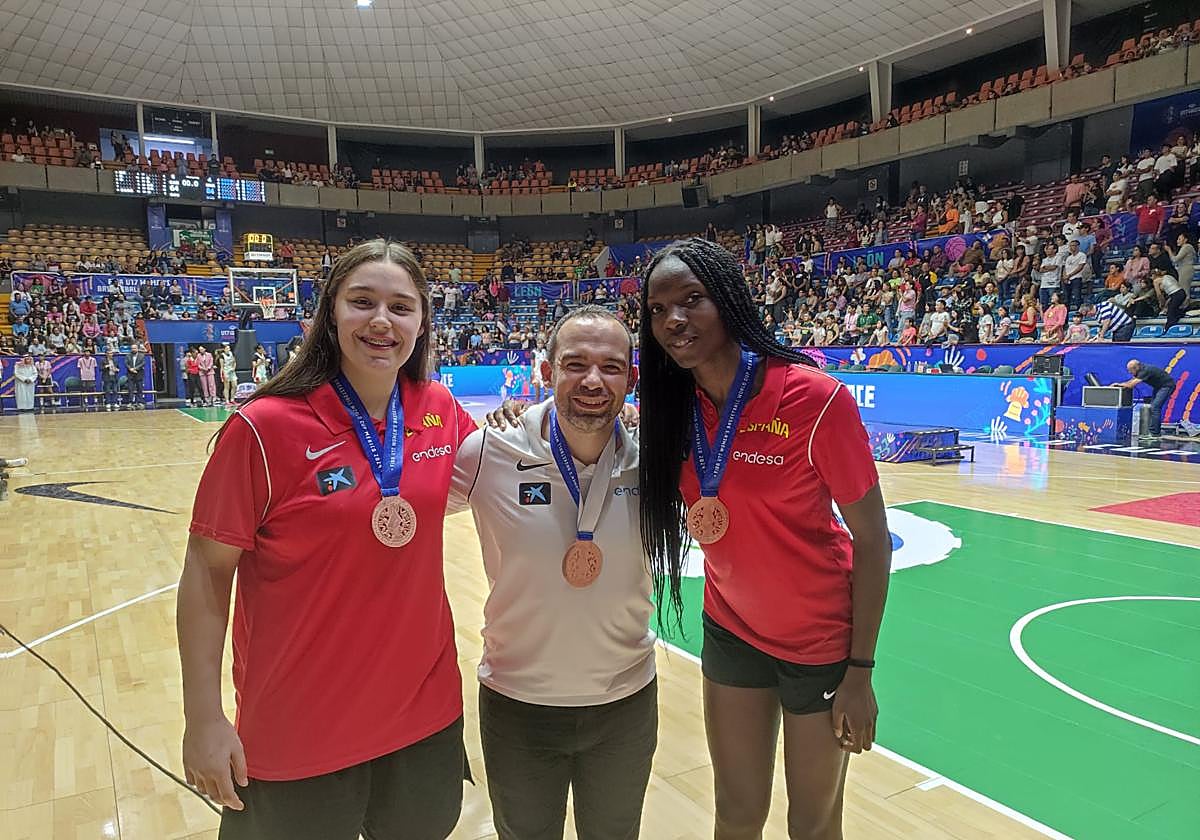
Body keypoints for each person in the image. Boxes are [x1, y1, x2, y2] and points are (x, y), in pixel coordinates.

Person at [177, 239, 475, 840]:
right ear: (330, 313)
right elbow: (207, 574)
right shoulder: (261, 428)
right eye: (362, 302)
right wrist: (203, 719)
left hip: (423, 717)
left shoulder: (440, 408)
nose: (381, 321)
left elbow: (509, 473)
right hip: (300, 727)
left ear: (422, 321)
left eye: (401, 306)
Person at [638, 238, 890, 840]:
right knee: (737, 816)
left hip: (819, 643)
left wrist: (861, 670)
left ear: (727, 301)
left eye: (691, 300)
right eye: (657, 308)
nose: (673, 320)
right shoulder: (674, 407)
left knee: (813, 822)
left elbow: (874, 540)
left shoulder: (814, 399)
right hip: (731, 633)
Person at [452, 306, 656, 840]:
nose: (593, 380)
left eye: (611, 366)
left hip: (626, 705)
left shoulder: (656, 459)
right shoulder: (488, 452)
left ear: (631, 378)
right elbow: (395, 516)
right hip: (518, 706)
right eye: (575, 363)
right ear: (545, 371)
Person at [1113, 359, 1175, 437]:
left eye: (1130, 370)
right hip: (1158, 387)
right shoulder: (1140, 369)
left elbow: (1131, 385)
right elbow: (1131, 381)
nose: (1130, 372)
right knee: (1153, 407)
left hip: (1167, 386)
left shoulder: (1145, 370)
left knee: (1155, 407)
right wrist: (1120, 384)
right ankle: (1154, 430)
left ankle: (1155, 434)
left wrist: (1118, 385)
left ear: (1136, 368)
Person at [126, 343, 146, 409]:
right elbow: (126, 363)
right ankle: (130, 402)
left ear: (137, 349)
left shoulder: (142, 355)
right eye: (132, 348)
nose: (133, 349)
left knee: (139, 389)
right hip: (130, 374)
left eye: (134, 348)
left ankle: (139, 402)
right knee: (130, 389)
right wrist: (130, 369)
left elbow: (143, 363)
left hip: (139, 374)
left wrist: (135, 369)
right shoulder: (128, 355)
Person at [529, 338, 548, 403]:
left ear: (543, 344)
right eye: (538, 343)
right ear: (536, 344)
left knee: (546, 389)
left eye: (541, 343)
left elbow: (546, 361)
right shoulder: (533, 353)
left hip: (544, 372)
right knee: (537, 388)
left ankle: (546, 403)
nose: (540, 345)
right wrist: (532, 373)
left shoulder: (544, 351)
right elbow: (532, 365)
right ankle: (537, 402)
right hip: (537, 372)